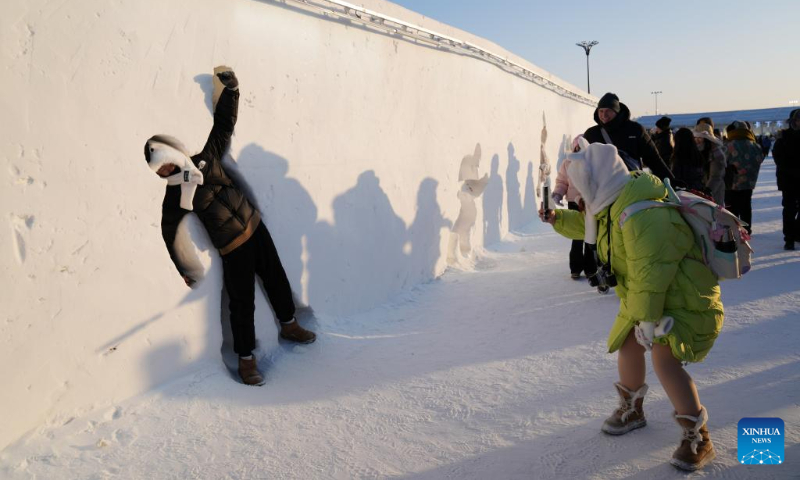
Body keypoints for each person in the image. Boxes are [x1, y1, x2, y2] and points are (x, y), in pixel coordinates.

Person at [539, 140, 723, 471]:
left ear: (594, 185)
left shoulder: (644, 214)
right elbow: (591, 225)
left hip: (681, 297)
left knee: (663, 359)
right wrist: (557, 218)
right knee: (627, 343)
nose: (579, 206)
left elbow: (651, 273)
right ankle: (633, 409)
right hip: (645, 294)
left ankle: (698, 437)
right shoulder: (613, 204)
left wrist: (648, 320)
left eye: (579, 198)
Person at [143, 69, 316, 386]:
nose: (166, 170)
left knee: (276, 277)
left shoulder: (205, 159)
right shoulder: (175, 194)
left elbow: (223, 126)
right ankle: (247, 360)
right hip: (232, 248)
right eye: (160, 170)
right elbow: (170, 231)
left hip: (254, 226)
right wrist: (184, 267)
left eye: (166, 162)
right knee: (241, 303)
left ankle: (289, 325)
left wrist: (231, 90)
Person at [583, 93, 674, 181]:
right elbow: (583, 163)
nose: (604, 115)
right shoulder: (591, 134)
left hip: (632, 186)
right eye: (601, 111)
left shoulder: (635, 129)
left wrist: (672, 181)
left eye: (608, 111)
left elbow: (654, 159)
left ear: (617, 111)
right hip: (603, 189)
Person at [552, 135, 597, 282]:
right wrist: (558, 194)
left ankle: (591, 268)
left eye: (581, 148)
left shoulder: (592, 163)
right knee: (576, 238)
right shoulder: (567, 163)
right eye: (576, 147)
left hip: (589, 203)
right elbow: (562, 182)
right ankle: (576, 268)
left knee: (590, 237)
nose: (578, 150)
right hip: (573, 203)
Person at [724, 121, 765, 235]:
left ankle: (734, 230)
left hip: (731, 183)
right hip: (749, 182)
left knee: (732, 207)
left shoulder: (729, 145)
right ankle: (747, 230)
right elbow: (760, 158)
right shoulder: (755, 145)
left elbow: (723, 161)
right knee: (746, 206)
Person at [772, 109, 800, 250]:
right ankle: (789, 238)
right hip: (788, 180)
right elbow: (778, 158)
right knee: (789, 210)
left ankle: (796, 234)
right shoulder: (783, 137)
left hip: (791, 178)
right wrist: (793, 171)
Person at [693, 123, 727, 205]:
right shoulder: (699, 151)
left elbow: (716, 176)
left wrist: (707, 191)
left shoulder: (716, 153)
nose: (697, 140)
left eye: (700, 137)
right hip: (702, 191)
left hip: (712, 192)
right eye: (696, 137)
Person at [669, 128, 705, 192]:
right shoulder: (698, 155)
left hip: (685, 192)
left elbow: (676, 177)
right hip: (698, 190)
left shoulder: (678, 157)